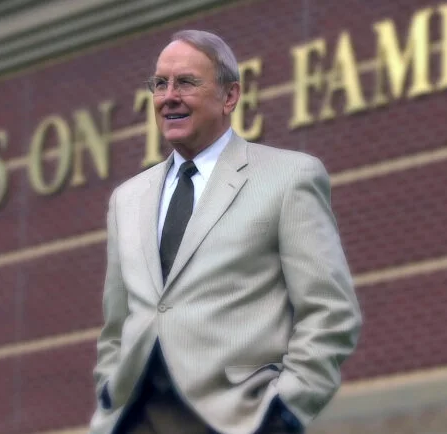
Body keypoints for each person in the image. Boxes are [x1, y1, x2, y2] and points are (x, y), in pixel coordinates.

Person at [89, 29, 362, 434]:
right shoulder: (126, 200)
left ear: (230, 96)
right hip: (134, 420)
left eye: (186, 82)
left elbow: (330, 312)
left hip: (237, 420)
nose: (169, 96)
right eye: (160, 84)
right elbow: (117, 322)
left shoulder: (288, 178)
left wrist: (283, 411)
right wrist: (109, 395)